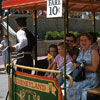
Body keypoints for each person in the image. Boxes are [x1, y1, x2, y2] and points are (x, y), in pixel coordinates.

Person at [65, 33, 99, 100]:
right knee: (66, 83)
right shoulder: (80, 50)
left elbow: (94, 68)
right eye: (81, 40)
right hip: (80, 76)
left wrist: (80, 66)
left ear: (89, 41)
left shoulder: (93, 51)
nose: (83, 42)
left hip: (90, 78)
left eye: (85, 40)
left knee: (73, 86)